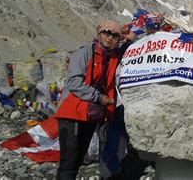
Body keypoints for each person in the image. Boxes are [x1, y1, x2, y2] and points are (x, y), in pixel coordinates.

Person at [55, 20, 136, 180]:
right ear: (98, 33)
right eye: (106, 32)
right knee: (69, 162)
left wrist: (133, 38)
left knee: (77, 160)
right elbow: (74, 83)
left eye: (115, 35)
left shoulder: (112, 56)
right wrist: (100, 98)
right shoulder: (84, 53)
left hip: (91, 114)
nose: (110, 37)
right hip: (73, 114)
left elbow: (131, 52)